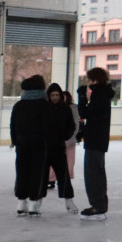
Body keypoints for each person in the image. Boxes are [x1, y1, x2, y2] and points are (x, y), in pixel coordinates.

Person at [9, 75, 49, 217]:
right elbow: (48, 127)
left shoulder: (19, 105)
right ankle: (33, 202)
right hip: (39, 144)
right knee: (37, 172)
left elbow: (13, 126)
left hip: (22, 143)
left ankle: (21, 201)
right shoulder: (44, 105)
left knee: (22, 170)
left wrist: (15, 140)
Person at [77, 67, 114, 220]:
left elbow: (86, 113)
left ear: (96, 80)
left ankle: (98, 205)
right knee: (95, 172)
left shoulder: (100, 95)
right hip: (96, 139)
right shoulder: (102, 94)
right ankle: (98, 204)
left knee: (93, 173)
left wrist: (82, 98)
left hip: (96, 140)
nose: (88, 83)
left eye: (90, 79)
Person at [43, 83, 78, 214]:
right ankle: (36, 201)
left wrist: (65, 136)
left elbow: (71, 125)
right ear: (49, 96)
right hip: (45, 148)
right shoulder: (45, 109)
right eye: (52, 95)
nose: (55, 97)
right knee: (42, 177)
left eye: (57, 95)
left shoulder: (65, 109)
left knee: (64, 176)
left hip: (58, 148)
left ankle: (69, 201)